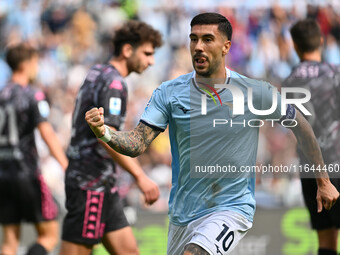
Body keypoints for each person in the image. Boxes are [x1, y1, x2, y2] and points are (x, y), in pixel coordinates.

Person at [85, 13, 340, 255]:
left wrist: (323, 180)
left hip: (231, 208)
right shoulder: (169, 92)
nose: (198, 46)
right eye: (193, 39)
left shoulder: (254, 91)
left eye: (207, 39)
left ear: (226, 46)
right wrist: (104, 132)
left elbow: (301, 124)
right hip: (183, 214)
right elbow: (138, 142)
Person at [59, 20, 162, 255]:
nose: (151, 61)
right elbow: (107, 138)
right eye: (147, 53)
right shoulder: (115, 83)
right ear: (127, 50)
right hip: (89, 183)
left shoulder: (96, 71)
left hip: (104, 183)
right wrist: (140, 176)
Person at [0, 44, 68, 255]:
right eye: (36, 63)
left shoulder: (1, 94)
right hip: (27, 172)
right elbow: (46, 132)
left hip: (2, 173)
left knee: (10, 242)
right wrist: (66, 164)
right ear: (26, 64)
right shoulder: (32, 95)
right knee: (49, 235)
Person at [282, 19, 340, 255]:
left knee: (325, 240)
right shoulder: (335, 74)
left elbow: (294, 127)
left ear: (295, 46)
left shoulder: (289, 82)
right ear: (322, 42)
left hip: (312, 171)